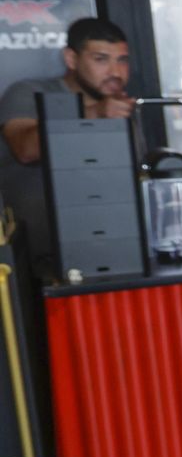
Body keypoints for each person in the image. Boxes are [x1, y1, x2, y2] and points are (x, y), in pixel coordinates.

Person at [0, 17, 133, 270]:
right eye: (101, 59)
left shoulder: (120, 107)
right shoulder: (29, 93)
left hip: (111, 251)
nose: (115, 72)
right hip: (36, 262)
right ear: (71, 59)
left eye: (122, 60)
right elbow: (25, 150)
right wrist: (94, 114)